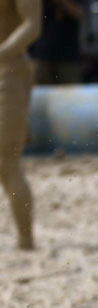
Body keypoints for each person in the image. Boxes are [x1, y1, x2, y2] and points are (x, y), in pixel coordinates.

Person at [0, 0, 40, 250]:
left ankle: (25, 240)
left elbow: (32, 26)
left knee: (8, 162)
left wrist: (2, 52)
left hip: (7, 72)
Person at [29, 0, 84, 84]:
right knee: (37, 93)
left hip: (68, 54)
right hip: (39, 52)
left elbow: (80, 13)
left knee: (71, 92)